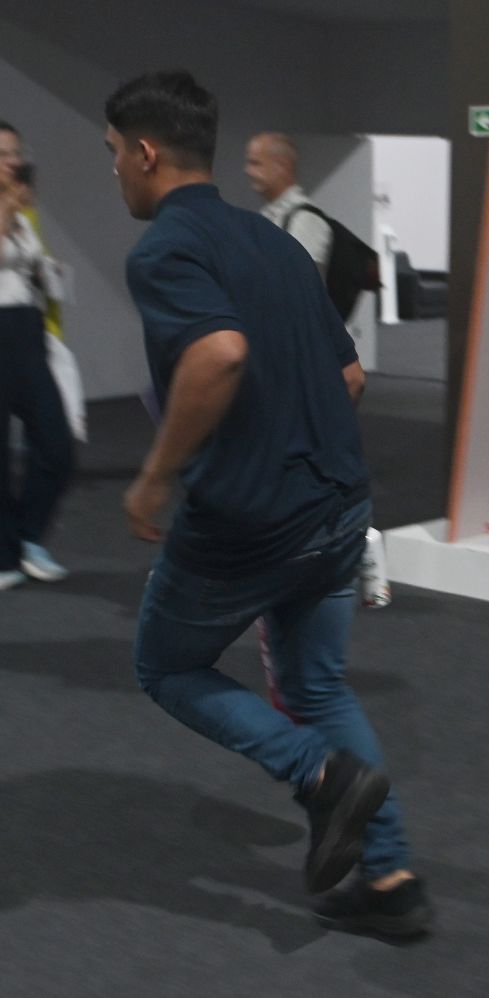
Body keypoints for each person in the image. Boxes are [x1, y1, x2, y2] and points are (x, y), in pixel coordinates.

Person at [104, 70, 430, 937]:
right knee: (317, 687)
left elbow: (218, 354)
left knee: (166, 667)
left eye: (113, 154)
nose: (115, 171)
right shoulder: (277, 243)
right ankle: (393, 881)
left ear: (146, 152)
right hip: (337, 504)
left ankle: (319, 777)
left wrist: (155, 476)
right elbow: (349, 377)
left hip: (249, 522)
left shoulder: (165, 250)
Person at [0, 119, 74, 589]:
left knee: (56, 445)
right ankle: (4, 554)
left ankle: (27, 537)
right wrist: (8, 210)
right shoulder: (12, 209)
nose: (14, 162)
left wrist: (49, 273)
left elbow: (34, 271)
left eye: (16, 153)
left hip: (26, 332)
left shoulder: (25, 214)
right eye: (4, 154)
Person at [244, 131, 333, 275]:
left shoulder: (305, 218)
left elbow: (302, 280)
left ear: (282, 166)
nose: (248, 171)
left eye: (256, 163)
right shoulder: (269, 215)